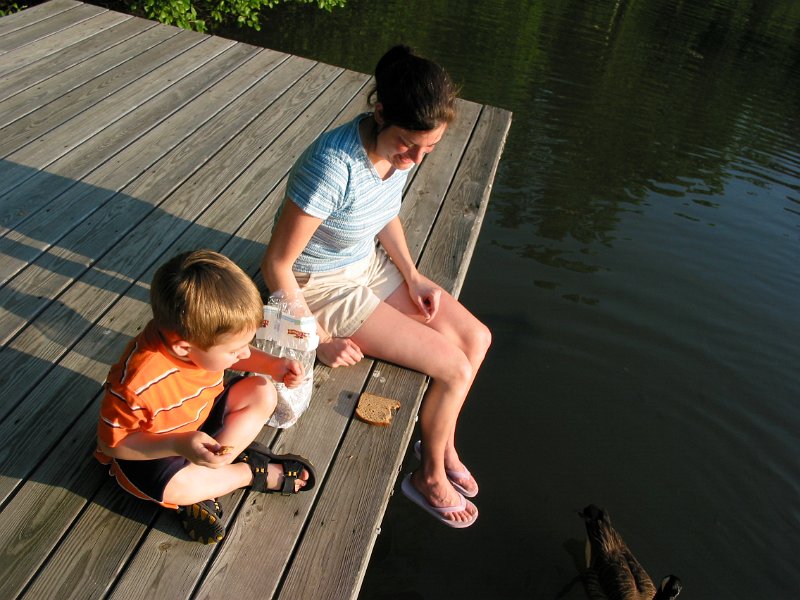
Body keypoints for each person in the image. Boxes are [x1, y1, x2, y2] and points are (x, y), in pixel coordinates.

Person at [261, 45, 490, 528]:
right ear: (380, 111)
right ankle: (427, 478)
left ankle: (440, 441)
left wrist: (412, 273)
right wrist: (317, 340)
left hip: (367, 264)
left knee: (476, 339)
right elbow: (277, 265)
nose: (414, 160)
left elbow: (383, 214)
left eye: (429, 149)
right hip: (319, 283)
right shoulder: (332, 165)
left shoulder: (399, 152)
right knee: (452, 367)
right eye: (408, 145)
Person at [96, 249, 317, 544]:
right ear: (183, 349)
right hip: (153, 451)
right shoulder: (137, 383)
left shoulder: (199, 342)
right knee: (178, 486)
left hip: (196, 419)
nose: (243, 352)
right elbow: (113, 445)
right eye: (234, 349)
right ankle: (246, 472)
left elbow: (234, 356)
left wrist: (272, 366)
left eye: (246, 343)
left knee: (262, 391)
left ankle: (214, 471)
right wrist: (177, 443)